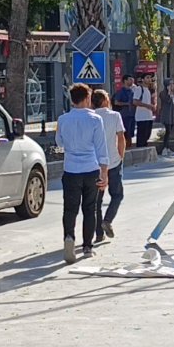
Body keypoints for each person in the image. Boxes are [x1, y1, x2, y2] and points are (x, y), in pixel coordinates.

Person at [55, 83, 108, 264]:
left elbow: (59, 142)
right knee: (89, 208)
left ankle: (69, 237)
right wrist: (105, 172)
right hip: (91, 168)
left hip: (70, 169)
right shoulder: (95, 119)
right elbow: (101, 148)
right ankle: (87, 247)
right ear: (86, 98)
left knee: (70, 208)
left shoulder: (63, 120)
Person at [91, 89, 126, 241]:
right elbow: (121, 137)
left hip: (95, 164)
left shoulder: (90, 117)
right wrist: (120, 156)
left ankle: (98, 233)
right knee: (117, 195)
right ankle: (108, 220)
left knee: (97, 201)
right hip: (113, 161)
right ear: (105, 100)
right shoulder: (114, 115)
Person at [158, 78, 174, 157]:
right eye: (171, 84)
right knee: (168, 131)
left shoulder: (173, 94)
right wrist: (169, 92)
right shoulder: (163, 93)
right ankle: (165, 147)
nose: (172, 85)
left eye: (173, 84)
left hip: (172, 115)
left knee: (170, 132)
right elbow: (167, 100)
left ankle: (167, 147)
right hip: (166, 115)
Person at [113, 74, 136, 147]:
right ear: (125, 81)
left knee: (131, 133)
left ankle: (129, 146)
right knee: (125, 133)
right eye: (129, 79)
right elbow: (116, 102)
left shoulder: (132, 91)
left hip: (132, 114)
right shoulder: (121, 92)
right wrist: (126, 103)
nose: (131, 81)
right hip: (124, 115)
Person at [133, 74, 155, 147]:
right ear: (142, 79)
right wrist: (148, 106)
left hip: (149, 116)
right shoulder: (139, 89)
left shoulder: (148, 90)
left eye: (150, 78)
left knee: (147, 136)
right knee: (141, 137)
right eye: (147, 78)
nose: (149, 79)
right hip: (141, 117)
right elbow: (135, 102)